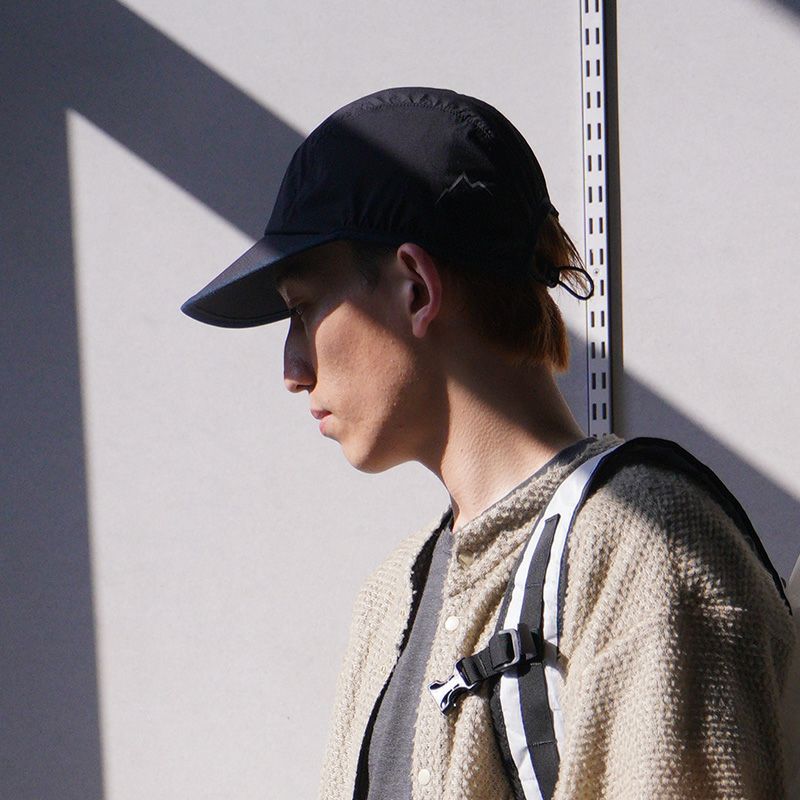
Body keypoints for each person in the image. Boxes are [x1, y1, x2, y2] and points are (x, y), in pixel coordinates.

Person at [181, 87, 796, 799]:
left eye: (302, 309)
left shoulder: (644, 545)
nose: (292, 370)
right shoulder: (388, 598)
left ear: (415, 288)